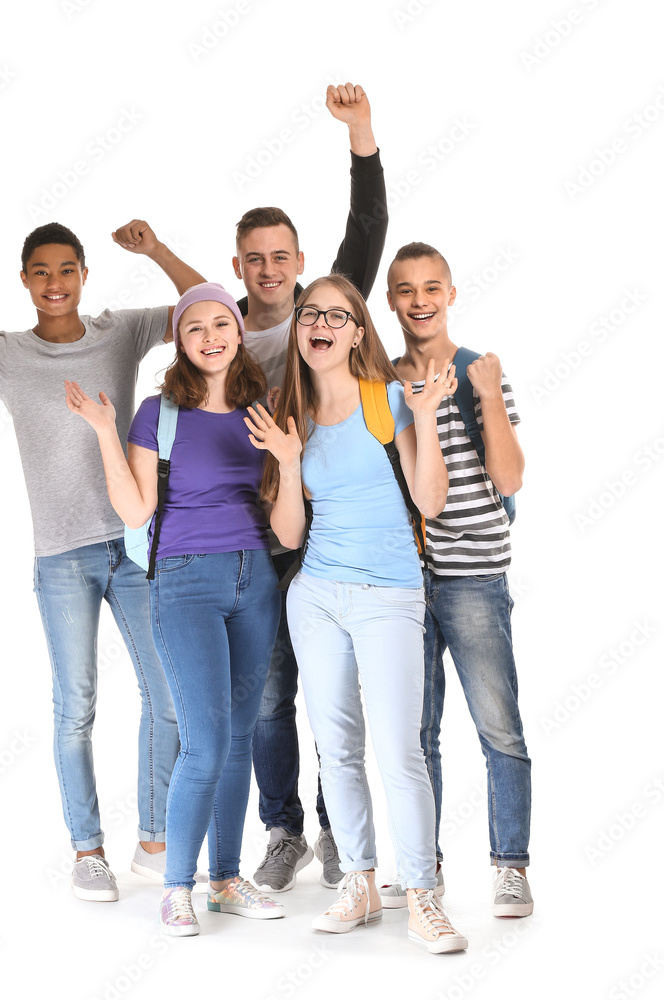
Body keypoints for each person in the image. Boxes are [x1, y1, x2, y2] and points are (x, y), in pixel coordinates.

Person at [121, 82, 389, 892]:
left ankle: (341, 829)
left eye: (283, 258)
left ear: (302, 266)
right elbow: (196, 301)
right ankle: (283, 831)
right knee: (267, 701)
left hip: (328, 530)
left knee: (335, 692)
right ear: (239, 270)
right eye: (255, 261)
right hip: (251, 541)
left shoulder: (324, 313)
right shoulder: (223, 325)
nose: (270, 272)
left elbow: (368, 231)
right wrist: (163, 253)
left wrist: (361, 135)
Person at [0, 221, 204, 900]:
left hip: (134, 545)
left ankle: (155, 839)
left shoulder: (120, 332)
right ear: (24, 280)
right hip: (62, 558)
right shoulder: (8, 354)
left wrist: (157, 251)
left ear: (84, 275)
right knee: (75, 705)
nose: (55, 284)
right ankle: (87, 850)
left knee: (166, 697)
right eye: (41, 272)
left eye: (67, 270)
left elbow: (210, 310)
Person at [246, 274, 468, 953]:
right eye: (310, 313)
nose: (321, 323)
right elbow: (288, 535)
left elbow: (430, 501)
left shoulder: (392, 401)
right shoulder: (292, 415)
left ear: (357, 330)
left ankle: (424, 894)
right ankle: (362, 883)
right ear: (300, 329)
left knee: (400, 749)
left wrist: (427, 419)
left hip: (389, 595)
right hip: (316, 594)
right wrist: (285, 460)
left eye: (337, 316)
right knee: (336, 748)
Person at [64, 282, 284, 936]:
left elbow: (282, 499)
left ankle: (224, 877)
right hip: (184, 582)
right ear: (181, 342)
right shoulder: (157, 414)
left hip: (256, 580)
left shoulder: (262, 408)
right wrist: (105, 431)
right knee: (206, 740)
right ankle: (178, 886)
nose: (211, 336)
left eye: (223, 323)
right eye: (196, 328)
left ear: (239, 334)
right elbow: (134, 510)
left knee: (239, 738)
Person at [379, 242, 532, 917]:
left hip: (473, 576)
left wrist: (489, 396)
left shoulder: (479, 371)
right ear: (390, 301)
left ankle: (510, 866)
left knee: (498, 727)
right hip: (407, 581)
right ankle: (425, 866)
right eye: (407, 289)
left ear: (451, 294)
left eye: (431, 287)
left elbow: (509, 479)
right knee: (417, 734)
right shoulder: (382, 380)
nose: (420, 300)